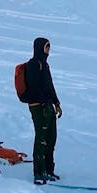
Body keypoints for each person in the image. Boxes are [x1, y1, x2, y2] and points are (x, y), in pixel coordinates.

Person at [21, 36, 62, 185]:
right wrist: (45, 102)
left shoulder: (45, 65)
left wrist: (56, 102)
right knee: (42, 139)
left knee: (51, 138)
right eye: (46, 47)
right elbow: (35, 87)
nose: (48, 50)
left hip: (48, 106)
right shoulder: (33, 65)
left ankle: (49, 169)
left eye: (49, 47)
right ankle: (39, 172)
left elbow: (49, 86)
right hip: (39, 107)